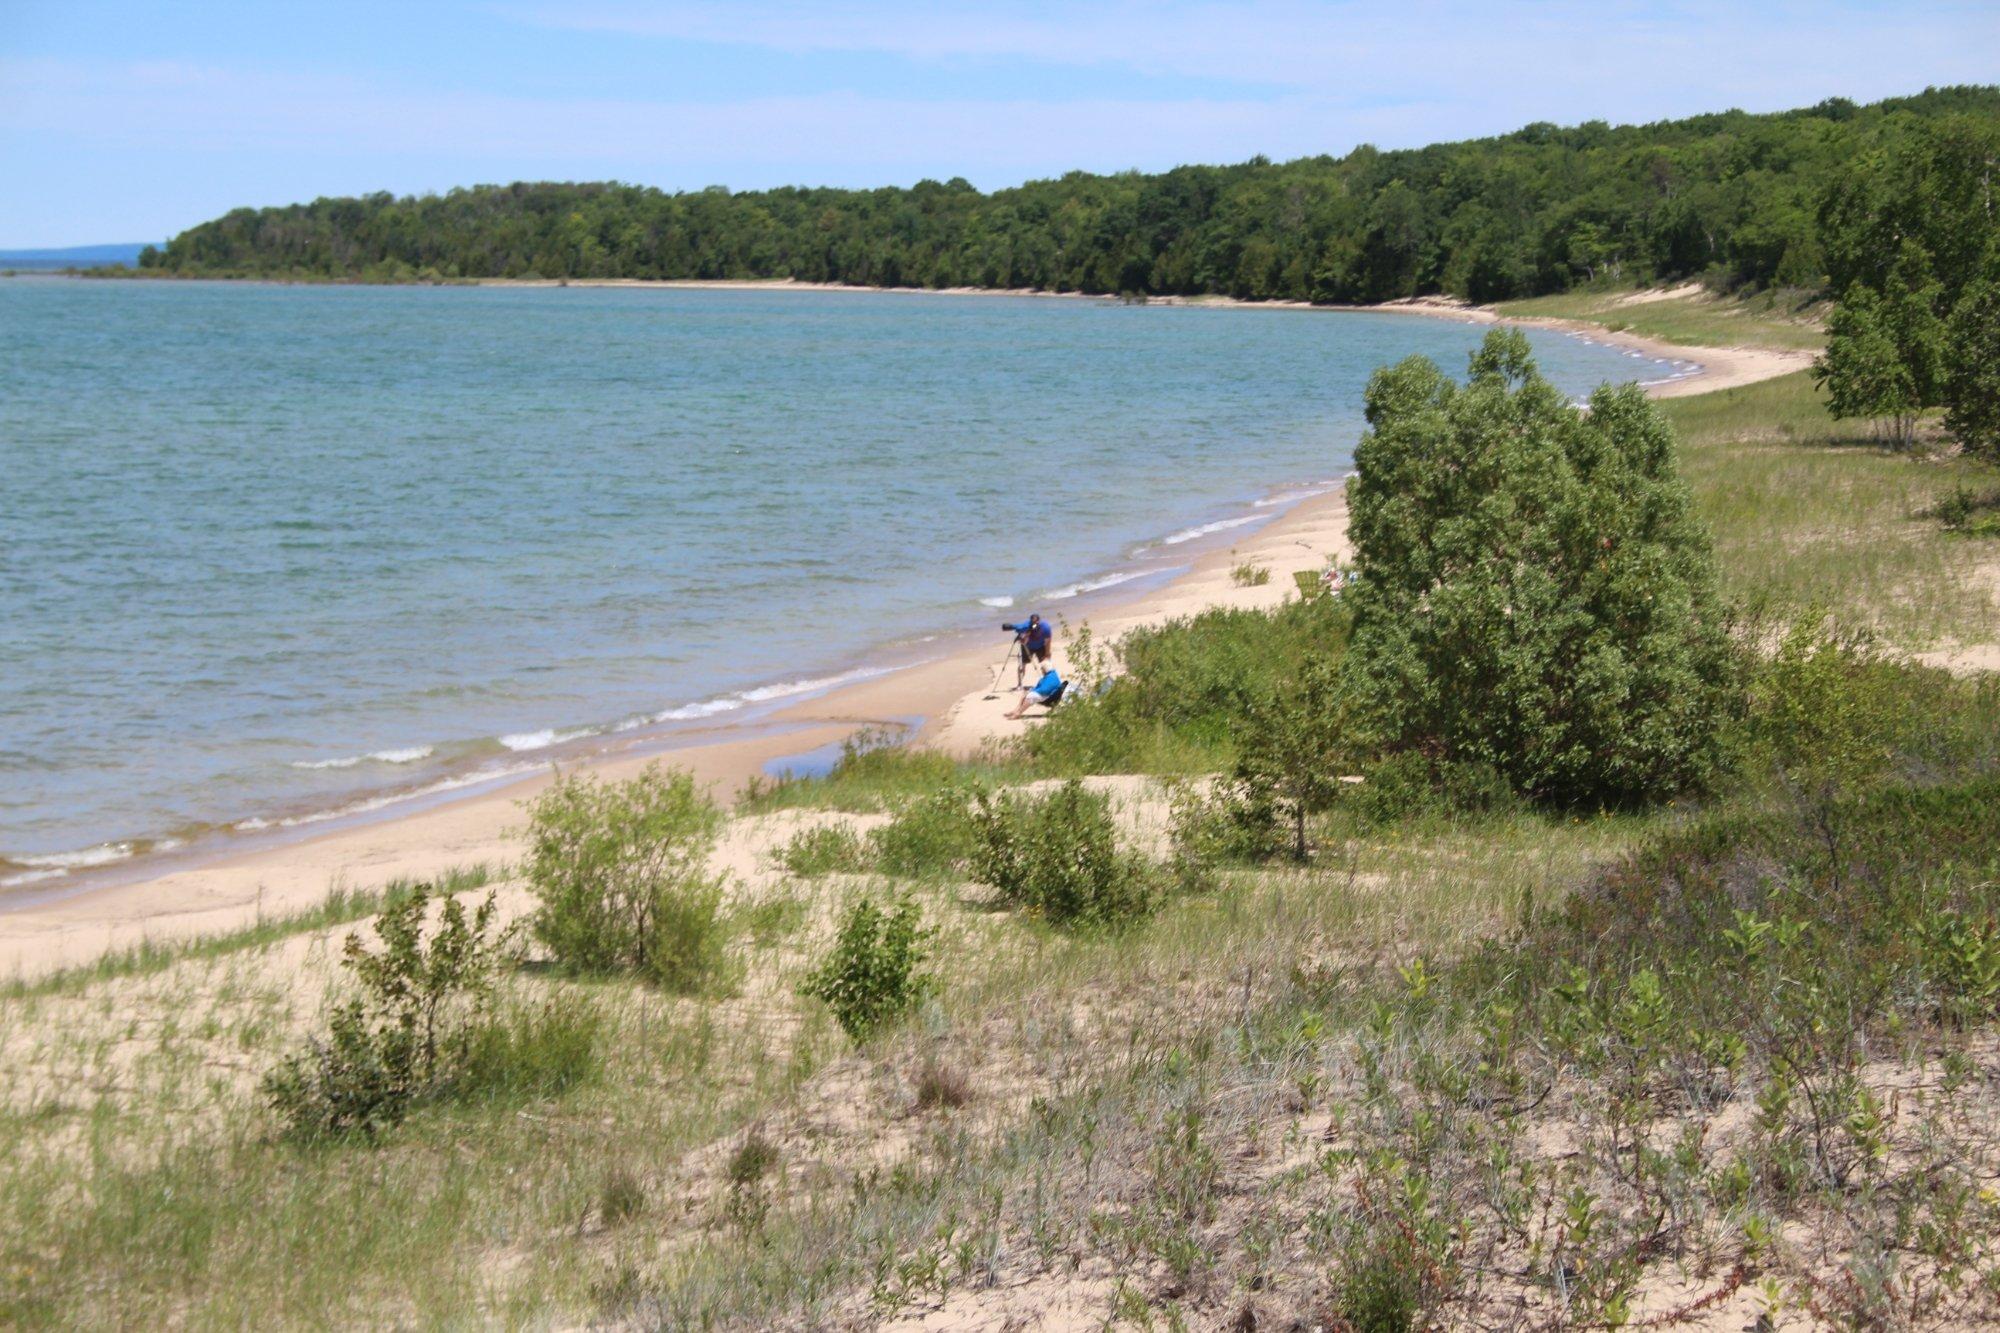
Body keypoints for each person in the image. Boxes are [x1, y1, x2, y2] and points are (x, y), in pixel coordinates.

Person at [1009, 613, 1054, 689]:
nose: (1034, 625)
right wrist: (1023, 637)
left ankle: (1048, 681)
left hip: (1041, 646)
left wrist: (1047, 653)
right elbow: (1021, 636)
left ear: (1039, 621)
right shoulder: (1026, 626)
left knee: (1046, 664)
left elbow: (1048, 641)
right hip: (1028, 646)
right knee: (1022, 665)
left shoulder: (1045, 627)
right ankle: (1020, 684)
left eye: (1036, 623)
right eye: (1032, 623)